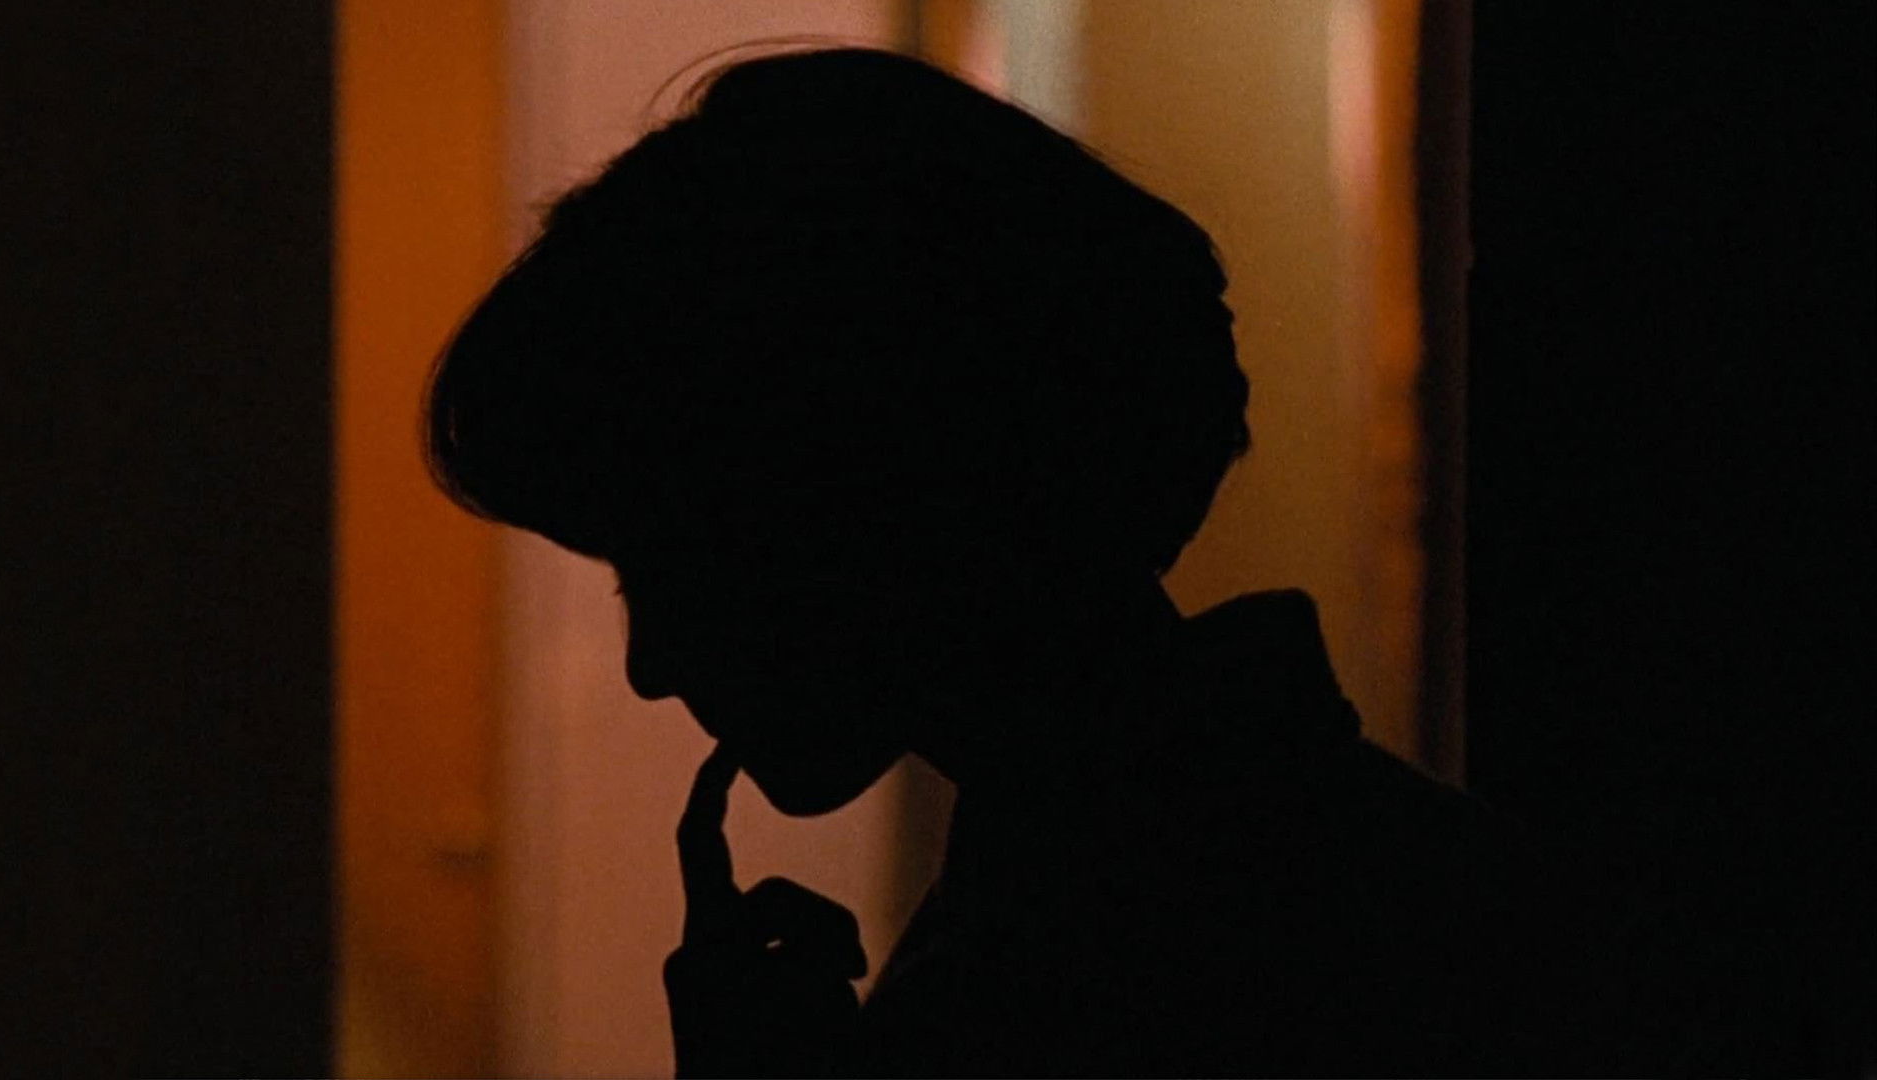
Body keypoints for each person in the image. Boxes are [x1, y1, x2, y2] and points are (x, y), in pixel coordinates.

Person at [423, 46, 1617, 1077]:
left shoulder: (1148, 954)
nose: (651, 664)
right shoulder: (1257, 869)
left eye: (667, 561)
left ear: (874, 495)